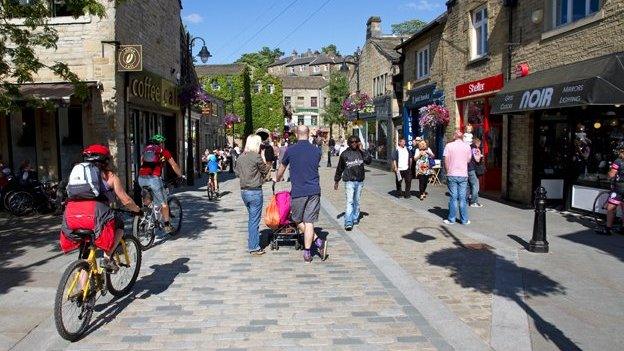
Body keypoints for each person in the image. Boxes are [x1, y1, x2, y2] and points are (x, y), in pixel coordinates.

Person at [61, 144, 141, 271]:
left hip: (71, 215)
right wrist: (138, 210)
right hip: (95, 215)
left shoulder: (79, 173)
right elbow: (126, 200)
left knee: (85, 256)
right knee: (119, 225)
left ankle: (83, 289)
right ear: (106, 160)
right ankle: (107, 258)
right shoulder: (110, 176)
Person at [276, 125, 325, 262]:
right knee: (309, 222)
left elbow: (282, 167)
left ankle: (316, 241)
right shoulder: (316, 151)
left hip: (298, 191)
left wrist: (277, 177)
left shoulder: (290, 150)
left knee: (297, 220)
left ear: (297, 134)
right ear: (308, 134)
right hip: (314, 190)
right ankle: (308, 251)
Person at [137, 134, 183, 234]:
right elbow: (173, 165)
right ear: (161, 143)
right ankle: (167, 225)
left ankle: (145, 216)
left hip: (141, 178)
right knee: (164, 204)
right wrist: (180, 175)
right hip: (154, 179)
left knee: (148, 199)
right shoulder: (163, 151)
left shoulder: (146, 150)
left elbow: (141, 163)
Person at [235, 135, 271, 254]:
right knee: (254, 220)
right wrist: (263, 156)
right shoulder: (256, 157)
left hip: (244, 191)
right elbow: (266, 170)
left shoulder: (240, 157)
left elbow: (236, 173)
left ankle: (253, 242)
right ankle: (254, 246)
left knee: (252, 218)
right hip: (255, 191)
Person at [334, 136, 372, 230]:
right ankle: (348, 221)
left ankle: (355, 217)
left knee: (357, 201)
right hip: (349, 181)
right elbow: (340, 168)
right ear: (349, 143)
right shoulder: (344, 154)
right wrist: (336, 180)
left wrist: (363, 150)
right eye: (352, 142)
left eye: (356, 142)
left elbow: (369, 161)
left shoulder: (361, 152)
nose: (354, 143)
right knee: (350, 201)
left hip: (359, 180)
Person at [443, 130, 472, 225]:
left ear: (455, 136)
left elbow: (446, 160)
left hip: (452, 173)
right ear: (462, 137)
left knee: (453, 197)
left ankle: (452, 219)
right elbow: (468, 160)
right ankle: (464, 220)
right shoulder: (467, 146)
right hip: (463, 174)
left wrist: (448, 171)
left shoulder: (448, 146)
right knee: (463, 198)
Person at [468, 137, 484, 207]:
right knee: (476, 186)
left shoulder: (469, 148)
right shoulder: (475, 149)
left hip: (468, 169)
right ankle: (473, 202)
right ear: (477, 143)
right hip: (472, 169)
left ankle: (471, 200)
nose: (480, 145)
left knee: (470, 185)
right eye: (479, 144)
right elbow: (477, 160)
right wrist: (480, 155)